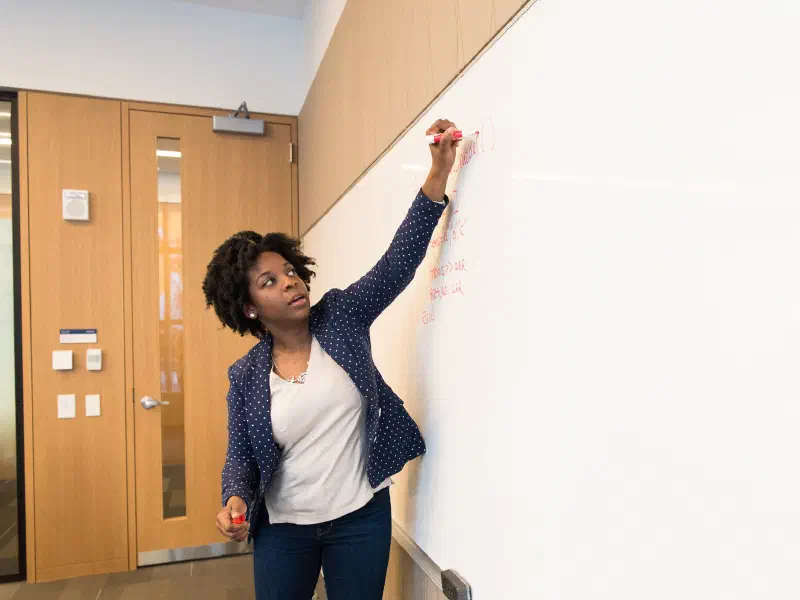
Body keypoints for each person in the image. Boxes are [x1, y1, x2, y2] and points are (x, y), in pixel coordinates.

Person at [202, 119, 460, 600]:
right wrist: (234, 499)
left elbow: (396, 264)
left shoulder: (341, 316)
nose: (290, 283)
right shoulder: (246, 376)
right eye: (269, 282)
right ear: (249, 309)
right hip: (283, 529)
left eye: (289, 272)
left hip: (360, 516)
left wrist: (437, 173)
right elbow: (240, 455)